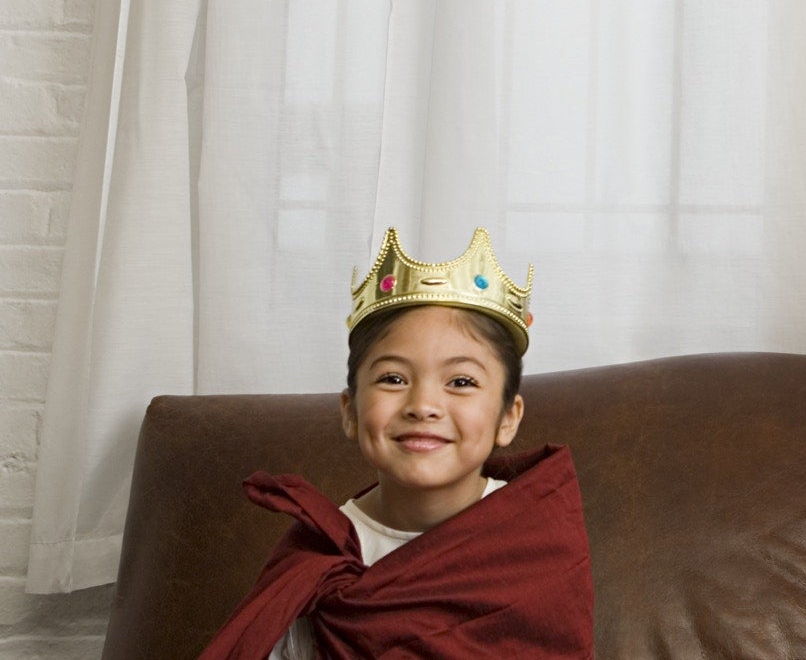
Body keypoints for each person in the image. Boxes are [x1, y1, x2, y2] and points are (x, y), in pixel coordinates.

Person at [200, 228, 595, 659]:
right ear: (350, 411)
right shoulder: (320, 559)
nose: (423, 405)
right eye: (393, 379)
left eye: (461, 382)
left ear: (508, 417)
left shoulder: (536, 536)